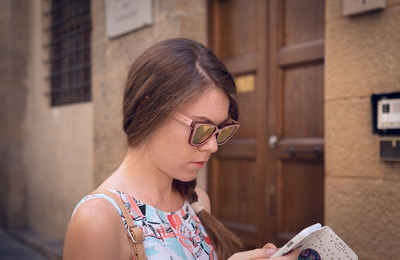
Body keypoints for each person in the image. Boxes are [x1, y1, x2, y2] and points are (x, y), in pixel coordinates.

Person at [63, 38, 300, 260]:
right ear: (147, 109)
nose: (213, 146)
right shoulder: (98, 220)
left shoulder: (197, 201)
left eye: (219, 130)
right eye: (201, 128)